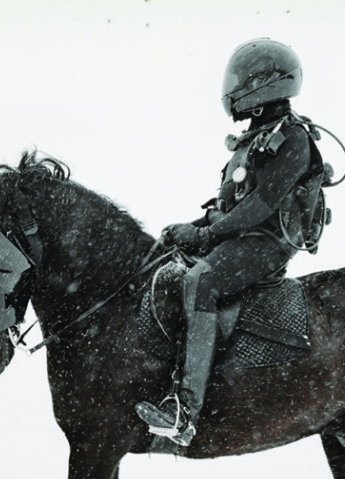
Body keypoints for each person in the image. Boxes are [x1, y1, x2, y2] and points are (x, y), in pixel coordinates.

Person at [136, 38, 334, 447]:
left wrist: (206, 235)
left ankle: (185, 410)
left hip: (267, 244)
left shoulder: (293, 138)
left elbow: (260, 206)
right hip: (240, 236)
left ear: (265, 87)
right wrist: (191, 227)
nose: (234, 89)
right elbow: (232, 206)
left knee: (202, 280)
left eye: (243, 81)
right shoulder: (255, 138)